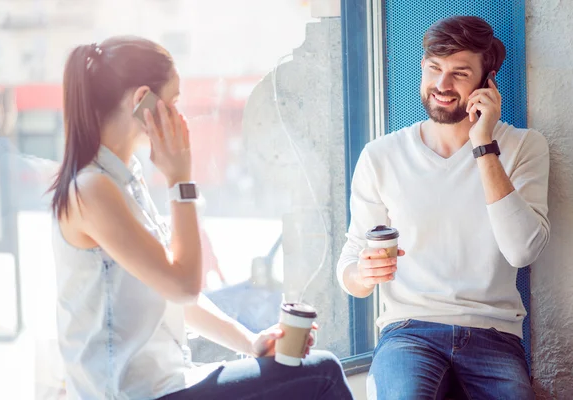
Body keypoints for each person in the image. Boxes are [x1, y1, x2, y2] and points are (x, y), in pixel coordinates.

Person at [49, 36, 353, 400]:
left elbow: (175, 293)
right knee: (324, 374)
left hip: (170, 383)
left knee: (307, 372)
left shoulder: (125, 179)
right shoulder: (91, 190)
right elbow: (183, 285)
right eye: (174, 102)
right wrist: (181, 180)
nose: (179, 116)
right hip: (137, 394)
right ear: (142, 100)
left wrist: (251, 341)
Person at [337, 16, 549, 400]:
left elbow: (522, 250)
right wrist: (364, 274)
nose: (442, 85)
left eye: (459, 73)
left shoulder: (523, 147)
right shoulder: (381, 155)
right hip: (408, 332)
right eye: (434, 68)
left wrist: (482, 144)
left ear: (487, 81)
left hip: (494, 334)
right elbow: (350, 265)